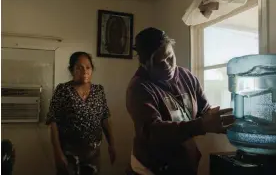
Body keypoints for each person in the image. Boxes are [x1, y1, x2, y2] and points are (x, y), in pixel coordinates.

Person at [126, 27, 235, 175]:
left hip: (183, 165)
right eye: (159, 62)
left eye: (170, 57)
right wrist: (201, 125)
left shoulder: (187, 77)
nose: (167, 65)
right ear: (144, 64)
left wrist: (221, 121)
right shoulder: (139, 88)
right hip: (150, 168)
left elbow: (203, 111)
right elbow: (152, 132)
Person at [46, 52, 116, 175]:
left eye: (88, 67)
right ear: (71, 70)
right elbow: (53, 123)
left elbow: (105, 118)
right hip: (69, 153)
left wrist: (112, 145)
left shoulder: (98, 90)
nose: (84, 71)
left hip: (93, 154)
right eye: (79, 67)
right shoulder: (63, 90)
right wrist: (57, 153)